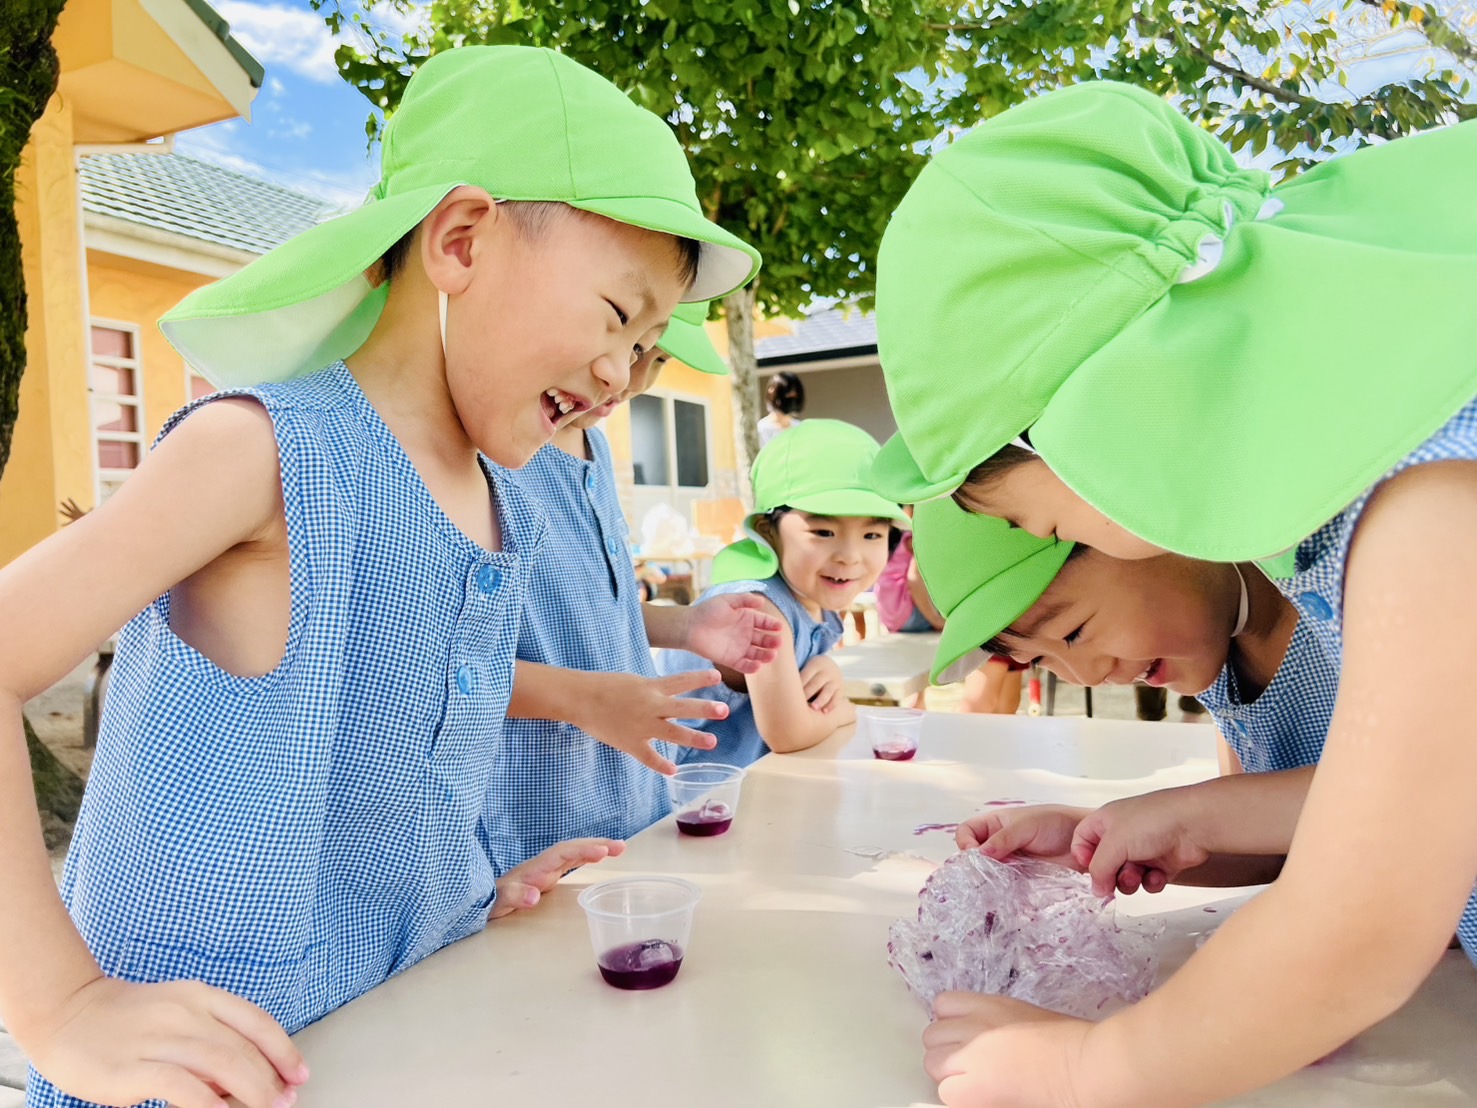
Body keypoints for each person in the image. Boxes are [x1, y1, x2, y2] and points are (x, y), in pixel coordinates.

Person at [0, 46, 763, 1108]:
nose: (619, 376)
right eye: (614, 314)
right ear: (461, 240)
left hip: (379, 1045)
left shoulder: (499, 500)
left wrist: (459, 894)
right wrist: (63, 1006)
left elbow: (397, 739)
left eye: (645, 347)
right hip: (188, 1071)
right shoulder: (266, 452)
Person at [871, 79, 1477, 1106]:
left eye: (1047, 528)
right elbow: (1406, 797)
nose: (1051, 537)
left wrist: (1089, 1067)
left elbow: (1364, 925)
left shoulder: (1425, 497)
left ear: (1099, 410)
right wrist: (1183, 820)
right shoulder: (1355, 496)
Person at [489, 304, 782, 869]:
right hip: (535, 815)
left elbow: (593, 603)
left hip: (632, 796)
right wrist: (587, 698)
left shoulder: (596, 448)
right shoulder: (497, 452)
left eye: (658, 357)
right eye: (634, 348)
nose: (634, 378)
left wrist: (686, 625)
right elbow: (448, 661)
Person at [911, 495, 1333, 887]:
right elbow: (1271, 849)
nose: (1087, 677)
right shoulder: (1222, 669)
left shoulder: (1335, 602)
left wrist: (1189, 814)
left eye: (1073, 632)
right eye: (1039, 659)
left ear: (1138, 532)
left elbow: (1376, 803)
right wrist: (1093, 836)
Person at [658, 420, 907, 765]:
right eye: (823, 532)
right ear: (767, 531)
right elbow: (788, 733)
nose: (849, 556)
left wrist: (827, 668)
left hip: (746, 782)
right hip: (685, 788)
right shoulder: (757, 607)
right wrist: (843, 711)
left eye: (871, 536)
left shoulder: (810, 595)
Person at [757, 370, 805, 446]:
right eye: (787, 394)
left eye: (794, 395)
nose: (791, 399)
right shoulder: (761, 429)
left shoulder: (799, 428)